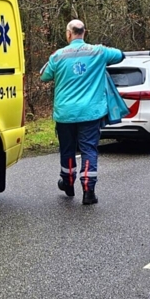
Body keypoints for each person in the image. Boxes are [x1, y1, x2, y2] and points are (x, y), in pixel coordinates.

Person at [40, 20, 124, 205]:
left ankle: (68, 182)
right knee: (88, 149)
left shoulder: (58, 56)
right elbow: (120, 55)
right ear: (84, 32)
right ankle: (88, 191)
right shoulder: (98, 51)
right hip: (90, 112)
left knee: (67, 149)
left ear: (68, 34)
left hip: (65, 113)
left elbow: (44, 75)